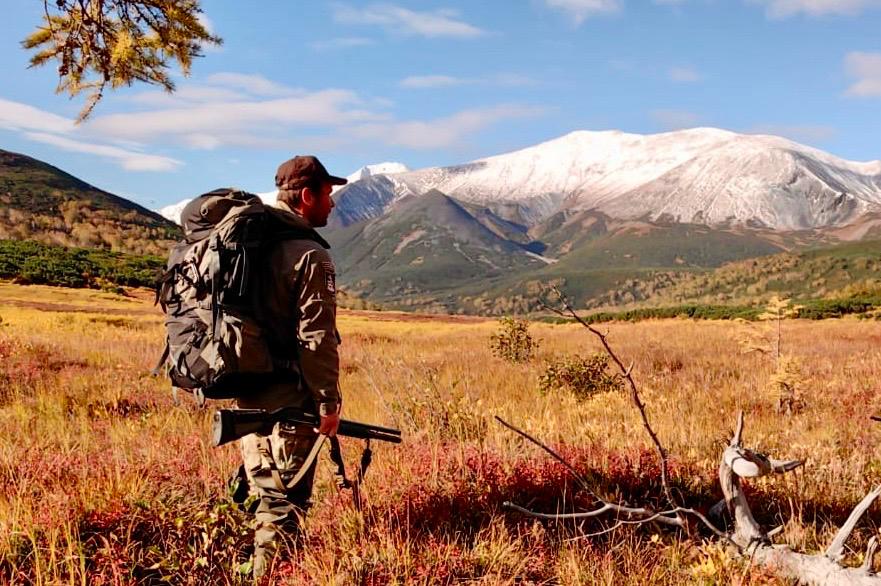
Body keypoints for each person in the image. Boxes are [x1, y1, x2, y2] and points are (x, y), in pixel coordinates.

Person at [236, 155, 347, 577]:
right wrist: (328, 402)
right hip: (290, 402)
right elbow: (316, 338)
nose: (332, 204)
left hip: (249, 394)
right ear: (306, 196)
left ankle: (241, 566)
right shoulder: (308, 256)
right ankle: (266, 577)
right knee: (284, 508)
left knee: (264, 493)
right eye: (327, 194)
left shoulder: (253, 245)